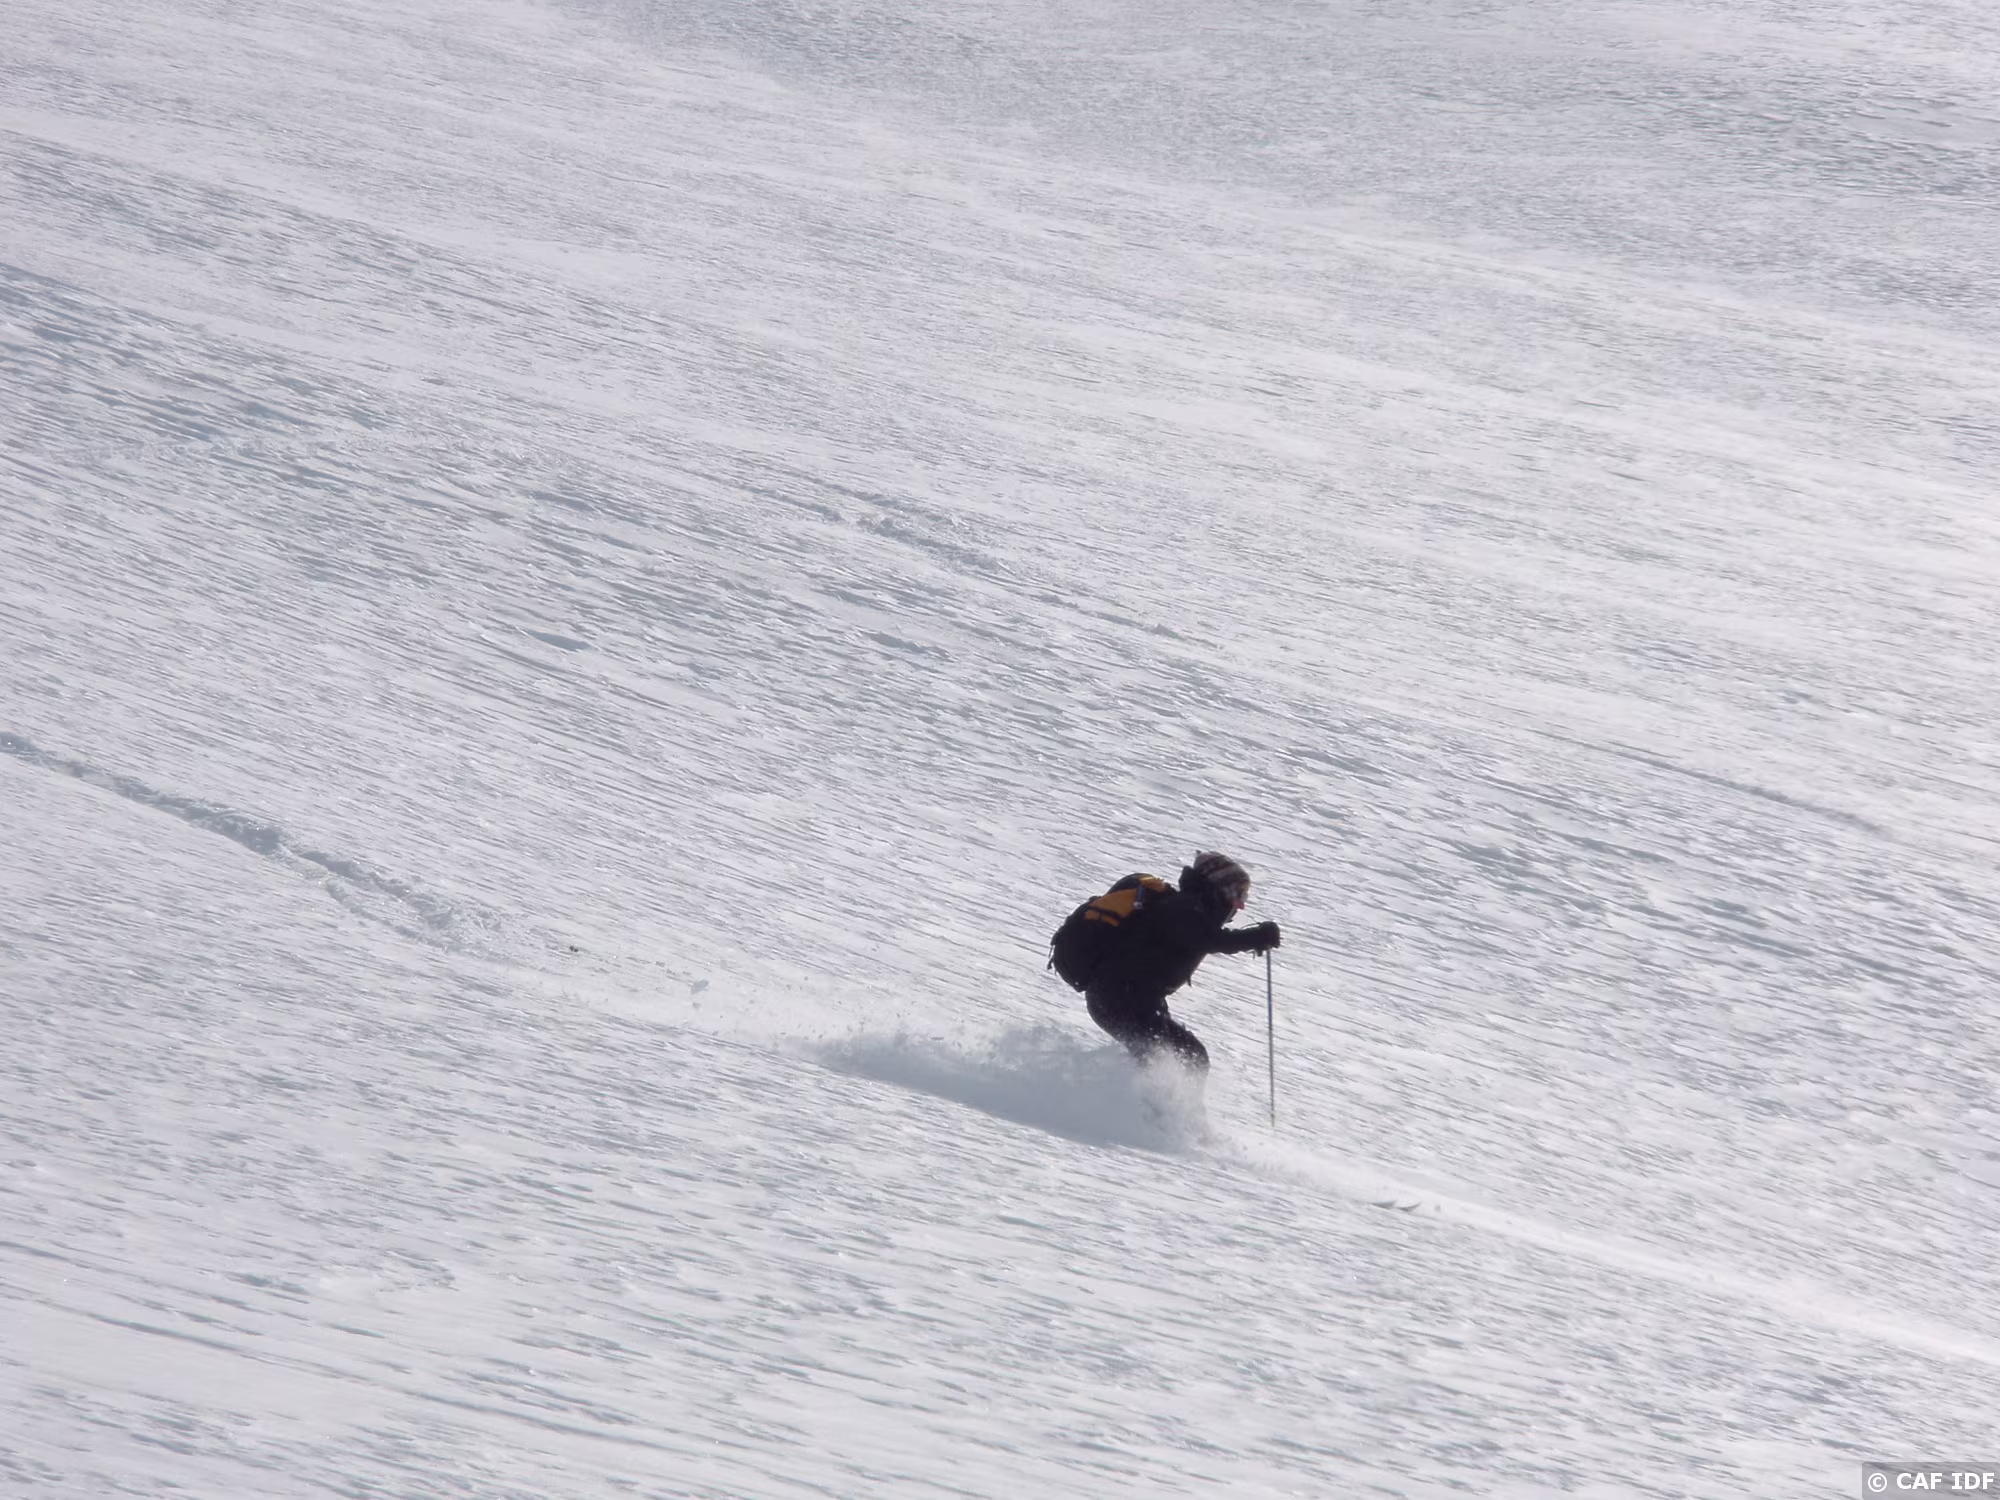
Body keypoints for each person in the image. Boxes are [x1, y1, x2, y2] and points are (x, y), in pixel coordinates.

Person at [1083, 851, 1280, 1074]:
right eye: (1239, 895)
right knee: (1179, 1057)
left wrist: (1255, 938)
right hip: (1121, 998)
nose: (1240, 905)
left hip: (1127, 998)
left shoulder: (1192, 909)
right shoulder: (1185, 908)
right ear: (1221, 888)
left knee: (1180, 1057)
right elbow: (1210, 940)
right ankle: (1129, 1095)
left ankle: (1112, 1088)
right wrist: (1256, 937)